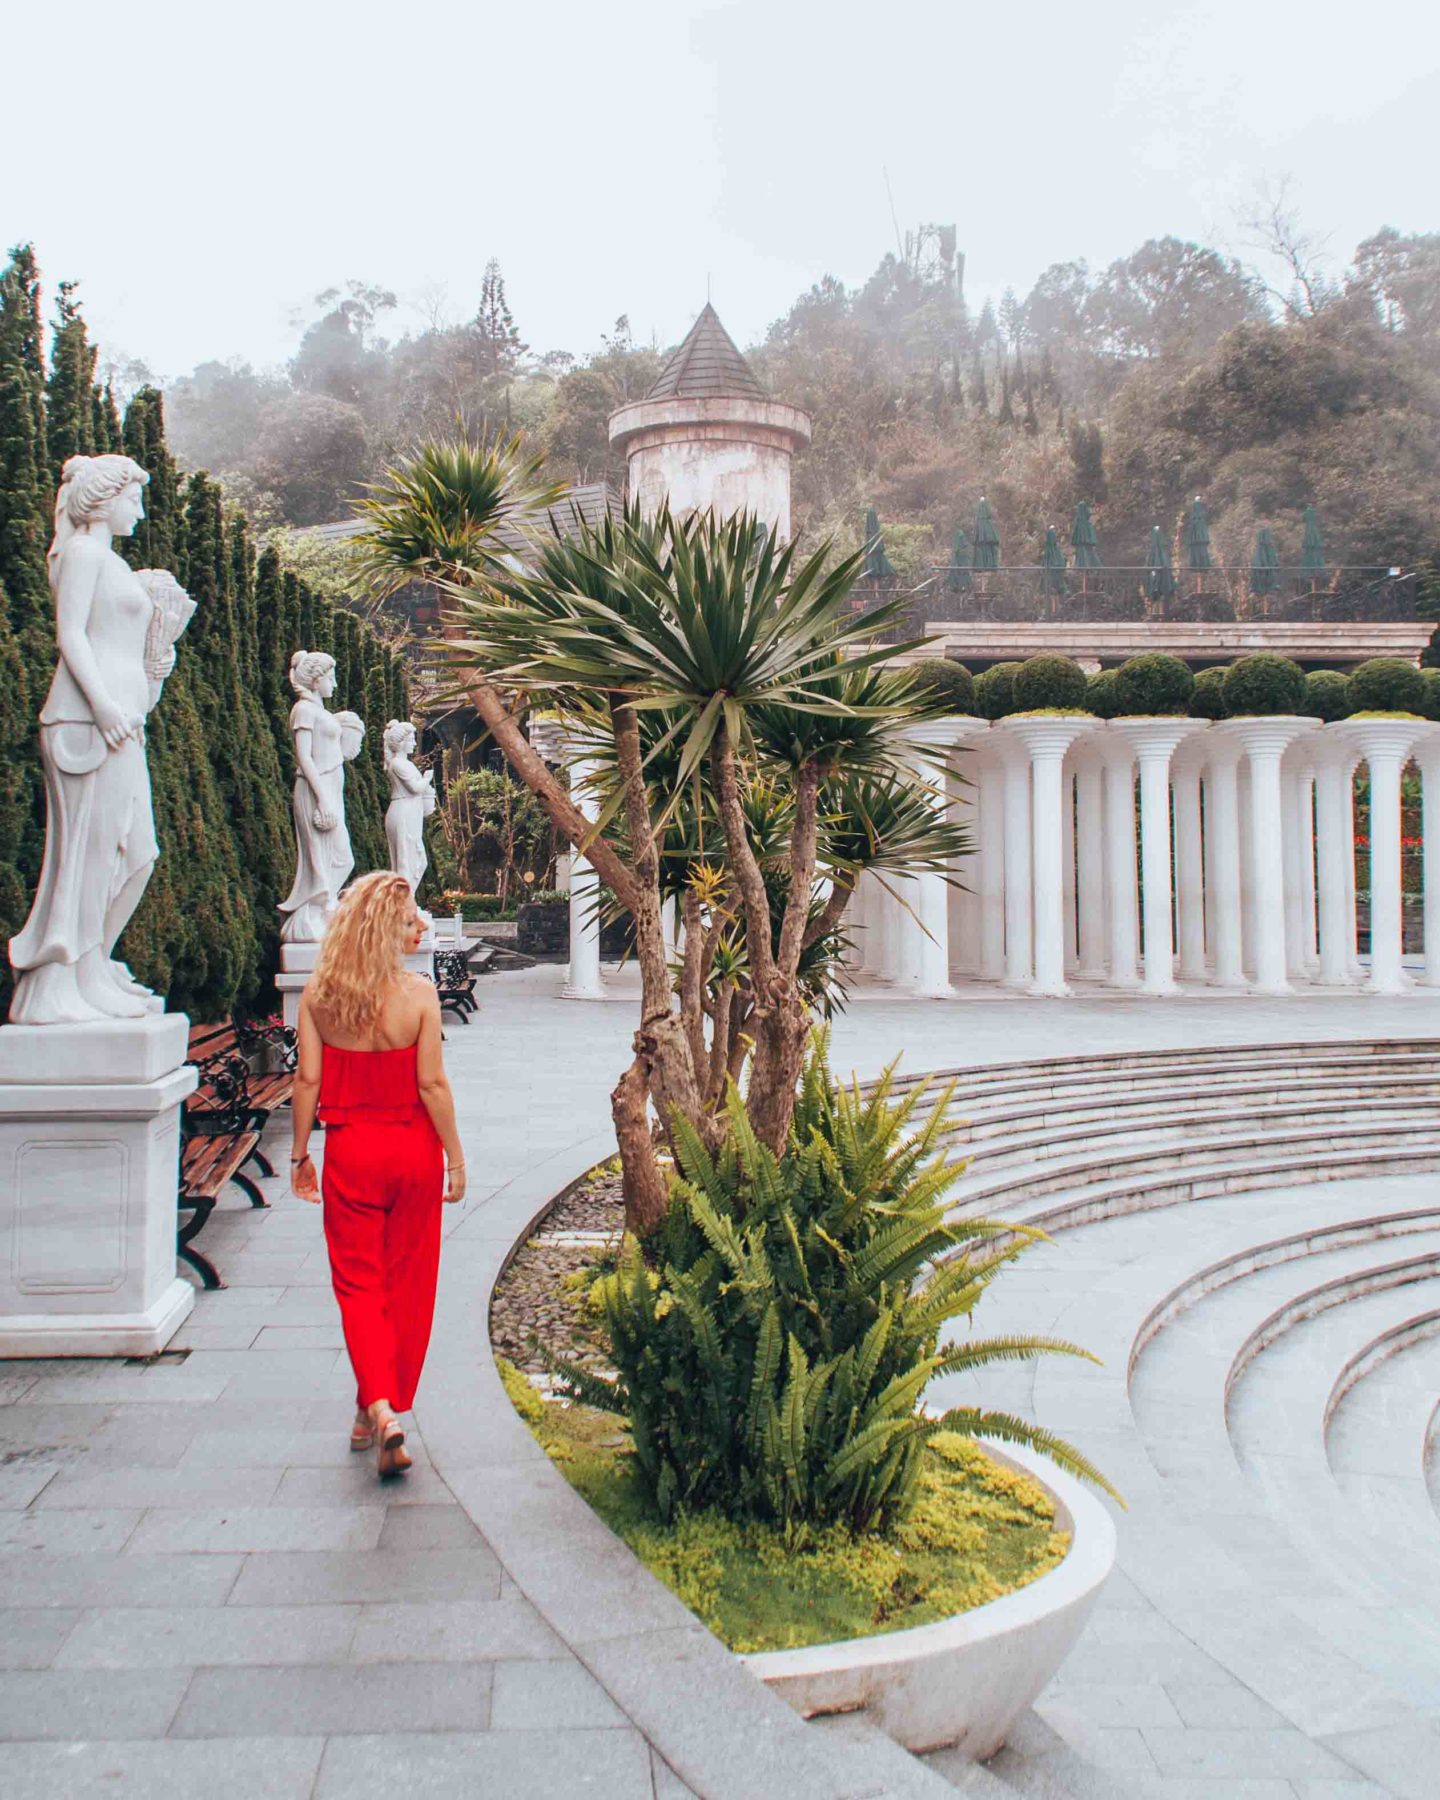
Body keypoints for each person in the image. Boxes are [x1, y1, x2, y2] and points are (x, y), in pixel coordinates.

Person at [289, 872, 466, 1476]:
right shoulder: (418, 996)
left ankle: (378, 1410)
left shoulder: (319, 996)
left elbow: (307, 1082)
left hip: (351, 1155)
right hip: (414, 1154)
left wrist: (297, 1156)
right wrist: (457, 1157)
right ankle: (380, 1408)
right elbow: (432, 1085)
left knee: (358, 1286)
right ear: (388, 930)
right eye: (409, 918)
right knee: (406, 1283)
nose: (417, 926)